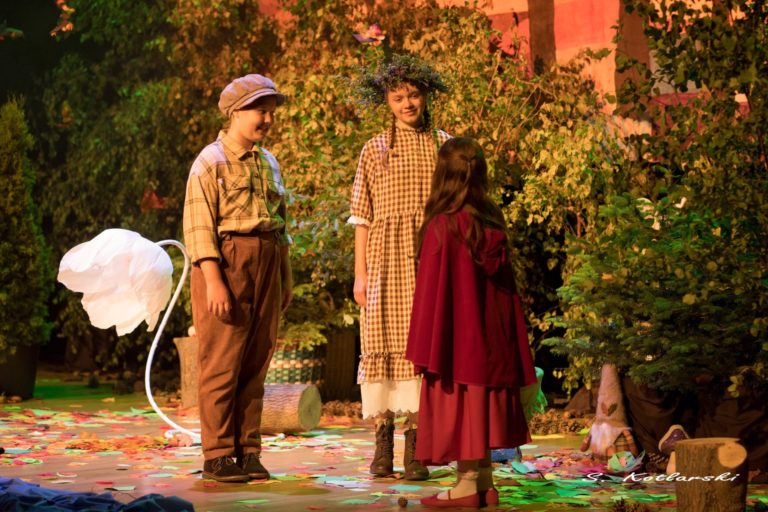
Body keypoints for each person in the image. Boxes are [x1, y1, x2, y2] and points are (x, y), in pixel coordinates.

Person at [406, 138, 537, 508]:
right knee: (480, 406)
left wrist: (425, 347)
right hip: (492, 347)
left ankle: (465, 486)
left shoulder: (443, 226)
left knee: (463, 406)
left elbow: (431, 296)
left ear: (443, 176)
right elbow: (507, 297)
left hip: (456, 344)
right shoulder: (492, 223)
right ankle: (484, 482)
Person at [183, 74, 293, 483]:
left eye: (270, 111)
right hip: (229, 261)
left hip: (267, 259)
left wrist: (285, 274)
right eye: (260, 110)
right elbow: (199, 227)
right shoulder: (210, 161)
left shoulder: (269, 162)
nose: (267, 119)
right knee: (222, 360)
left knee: (256, 361)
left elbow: (281, 222)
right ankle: (218, 453)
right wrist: (214, 280)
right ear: (235, 113)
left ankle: (248, 450)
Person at [348, 53, 450, 480]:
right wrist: (360, 274)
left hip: (429, 256)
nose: (407, 103)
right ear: (386, 102)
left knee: (420, 346)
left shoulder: (443, 144)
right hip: (384, 261)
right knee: (383, 339)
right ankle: (383, 443)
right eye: (397, 97)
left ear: (425, 95)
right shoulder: (375, 149)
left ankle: (416, 450)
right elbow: (362, 215)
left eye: (413, 95)